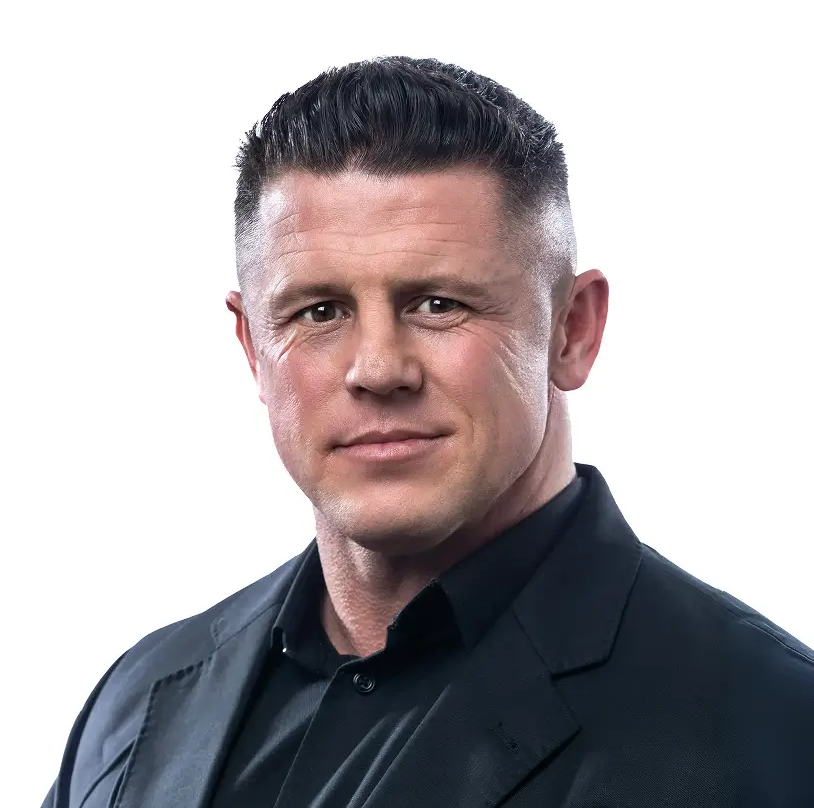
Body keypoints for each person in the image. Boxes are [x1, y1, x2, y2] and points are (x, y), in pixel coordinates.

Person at [42, 56, 814, 808]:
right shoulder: (136, 704)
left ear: (573, 330)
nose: (378, 368)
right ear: (253, 348)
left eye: (439, 304)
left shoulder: (773, 727)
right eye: (319, 311)